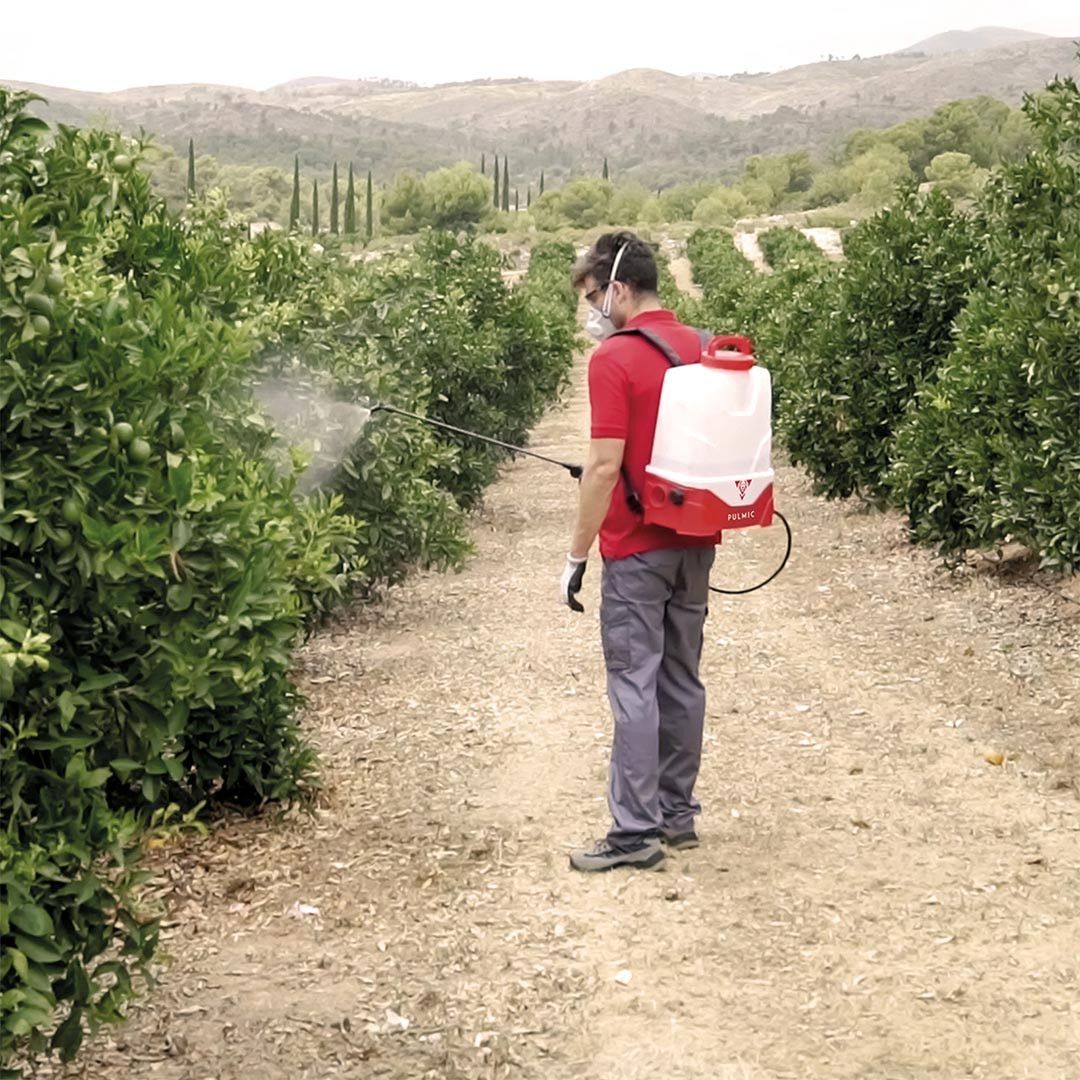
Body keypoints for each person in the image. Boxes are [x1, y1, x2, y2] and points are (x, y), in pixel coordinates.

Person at [560, 231, 719, 873]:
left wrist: (576, 555)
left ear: (619, 289)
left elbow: (604, 467)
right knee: (681, 678)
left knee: (633, 681)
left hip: (635, 549)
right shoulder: (702, 347)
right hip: (695, 543)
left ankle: (633, 831)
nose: (595, 309)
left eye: (595, 296)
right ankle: (677, 817)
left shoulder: (613, 359)